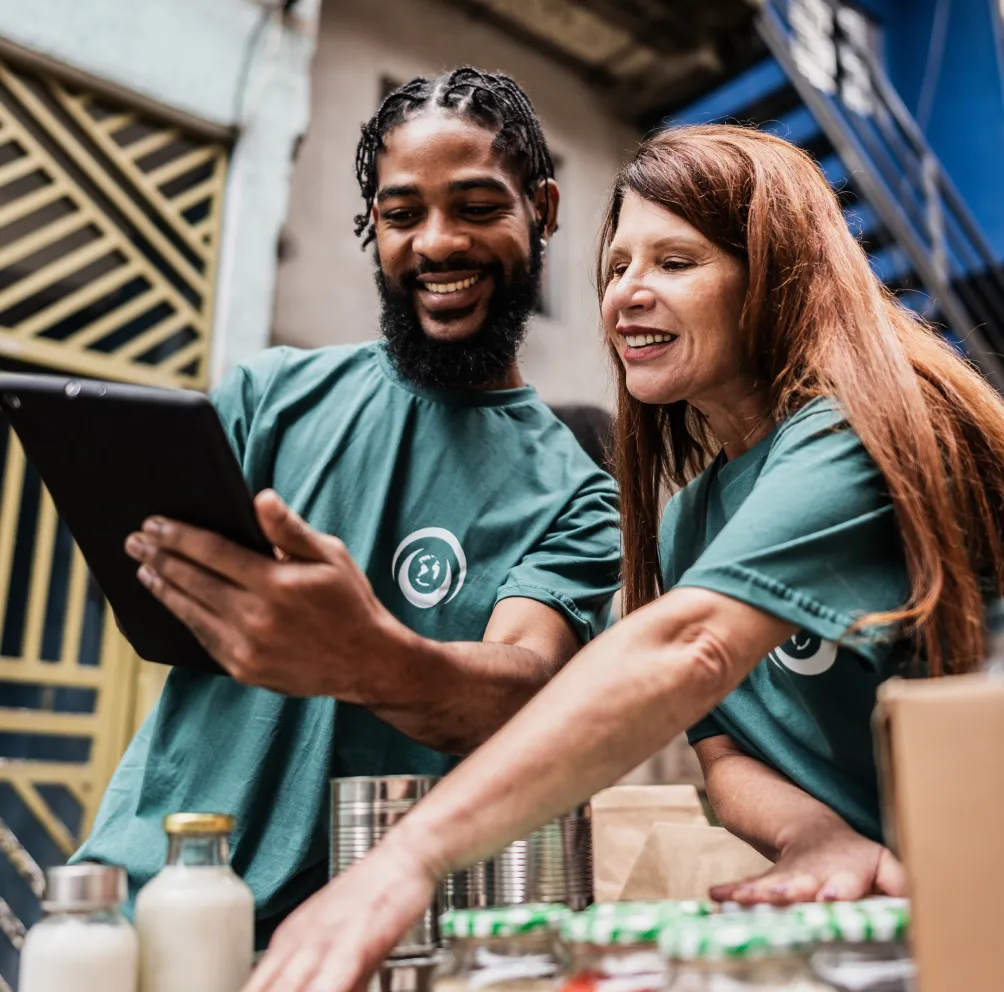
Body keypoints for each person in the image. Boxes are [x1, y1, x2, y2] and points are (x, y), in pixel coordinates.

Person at [241, 123, 1004, 992]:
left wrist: (405, 859)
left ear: (776, 278)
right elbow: (723, 754)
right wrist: (810, 833)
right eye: (616, 268)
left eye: (675, 263)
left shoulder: (859, 433)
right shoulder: (684, 527)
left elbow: (691, 647)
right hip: (909, 929)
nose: (627, 295)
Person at [72, 67, 621, 947]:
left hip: (350, 946)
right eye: (403, 214)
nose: (437, 244)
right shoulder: (264, 397)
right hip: (150, 907)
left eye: (478, 206)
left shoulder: (579, 495)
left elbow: (526, 695)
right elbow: (152, 598)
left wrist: (366, 657)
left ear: (543, 211)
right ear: (372, 224)